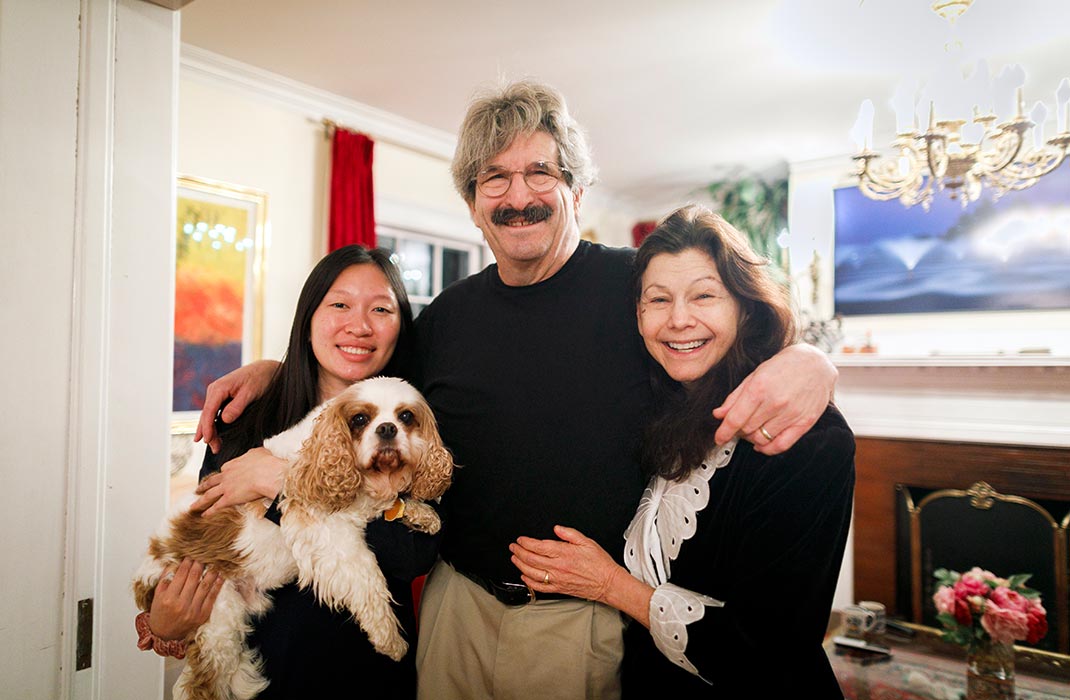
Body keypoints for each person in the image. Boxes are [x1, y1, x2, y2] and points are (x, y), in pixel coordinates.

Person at [196, 80, 840, 699]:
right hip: (457, 605)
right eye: (494, 179)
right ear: (473, 205)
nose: (518, 195)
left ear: (577, 190)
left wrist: (808, 359)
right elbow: (367, 376)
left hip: (586, 615)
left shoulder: (635, 290)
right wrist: (277, 370)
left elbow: (717, 331)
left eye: (541, 172)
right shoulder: (445, 317)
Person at [509, 205, 854, 696]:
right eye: (658, 299)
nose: (678, 320)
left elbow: (773, 647)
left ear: (745, 305)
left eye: (704, 296)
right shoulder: (654, 400)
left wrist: (609, 586)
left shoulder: (805, 435)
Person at [138, 245, 437, 699]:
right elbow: (205, 550)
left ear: (400, 327)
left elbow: (411, 555)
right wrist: (165, 621)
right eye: (339, 304)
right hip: (259, 677)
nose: (359, 325)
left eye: (381, 309)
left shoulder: (411, 424)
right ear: (309, 316)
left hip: (367, 678)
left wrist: (279, 481)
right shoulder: (244, 419)